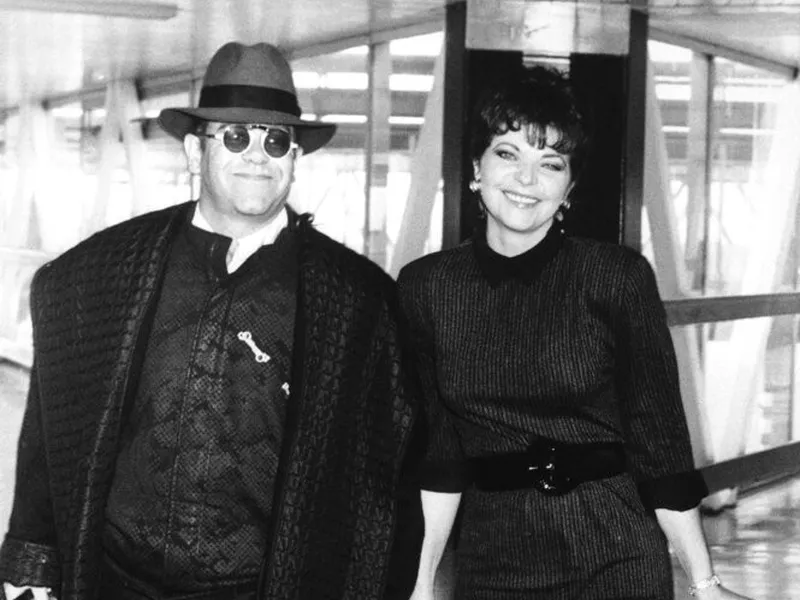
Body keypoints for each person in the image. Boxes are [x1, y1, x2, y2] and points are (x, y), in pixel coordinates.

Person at [0, 41, 422, 600]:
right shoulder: (103, 276)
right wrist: (31, 570)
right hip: (114, 582)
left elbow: (386, 482)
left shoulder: (357, 306)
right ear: (195, 154)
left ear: (295, 161)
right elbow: (52, 436)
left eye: (276, 140)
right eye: (236, 135)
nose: (258, 155)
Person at [397, 65, 752, 600]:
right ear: (475, 167)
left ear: (569, 188)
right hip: (495, 554)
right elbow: (440, 455)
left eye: (551, 163)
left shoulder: (616, 278)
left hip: (614, 548)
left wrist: (705, 583)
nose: (526, 180)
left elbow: (661, 441)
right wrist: (422, 584)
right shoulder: (427, 287)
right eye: (507, 153)